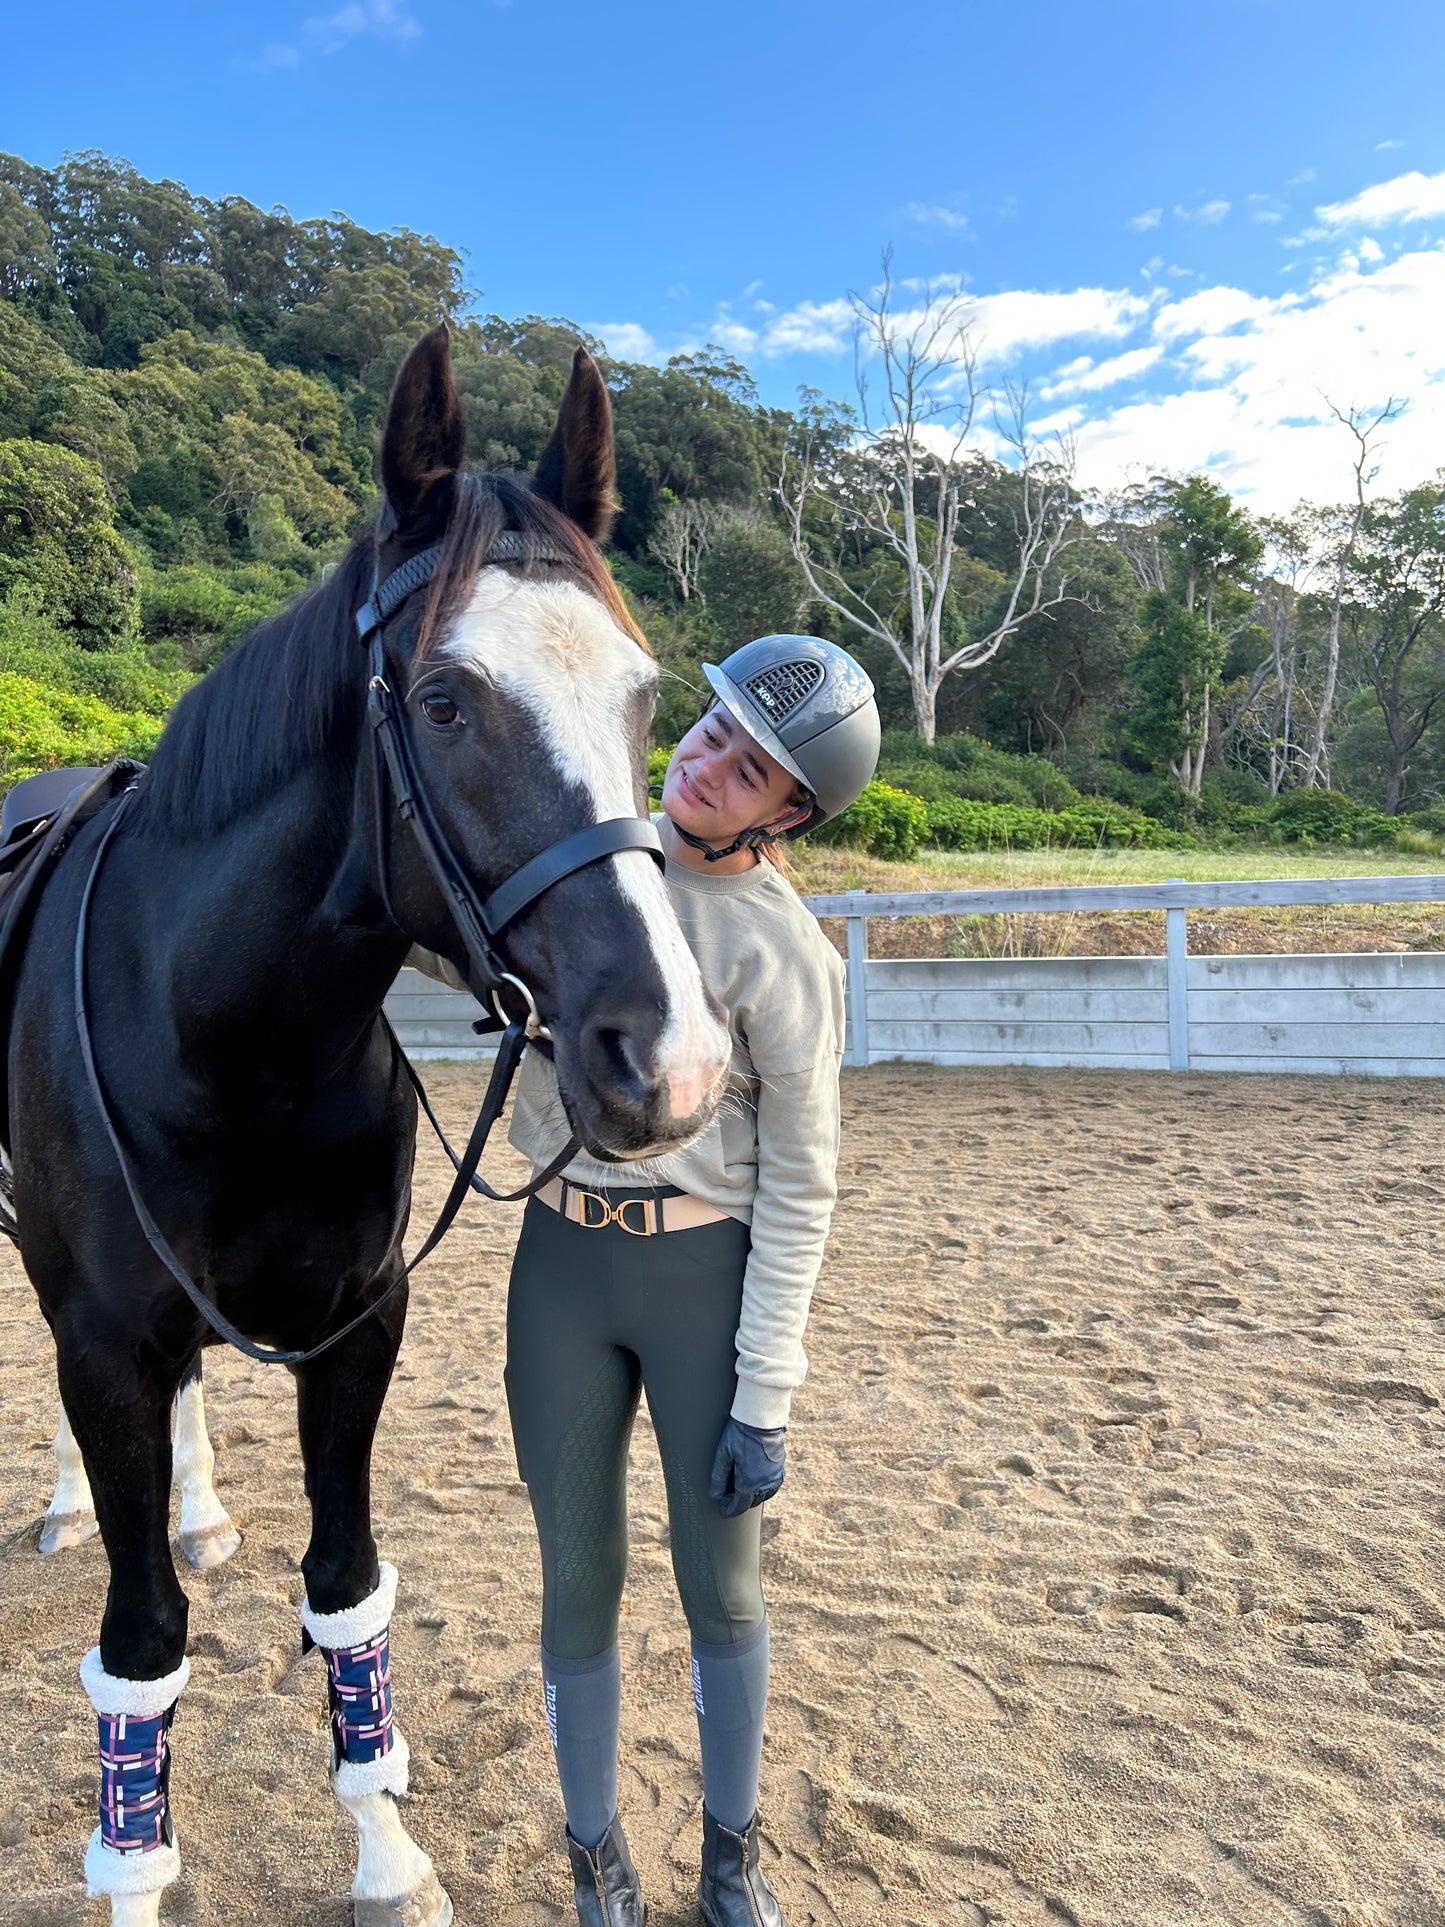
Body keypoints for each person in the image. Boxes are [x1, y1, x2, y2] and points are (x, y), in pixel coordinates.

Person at [415, 634, 879, 1926]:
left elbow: (801, 1179)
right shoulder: (561, 863)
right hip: (557, 1265)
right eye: (715, 727)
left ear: (790, 813)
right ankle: (595, 1857)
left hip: (700, 1281)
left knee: (719, 1583)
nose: (710, 763)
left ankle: (730, 1855)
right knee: (575, 1575)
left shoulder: (784, 955)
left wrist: (763, 1394)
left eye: (753, 767)